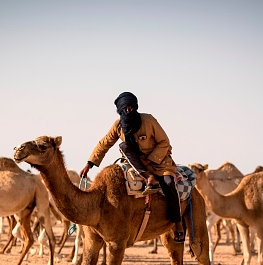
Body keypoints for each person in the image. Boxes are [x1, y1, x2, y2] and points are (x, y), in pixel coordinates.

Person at [79, 91, 185, 242]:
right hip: (136, 163)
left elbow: (164, 142)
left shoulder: (148, 120)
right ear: (120, 111)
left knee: (168, 183)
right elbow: (104, 143)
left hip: (159, 162)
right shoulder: (118, 126)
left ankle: (178, 222)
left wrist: (150, 159)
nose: (128, 111)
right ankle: (147, 178)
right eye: (125, 109)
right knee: (123, 146)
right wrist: (89, 164)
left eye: (130, 108)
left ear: (135, 107)